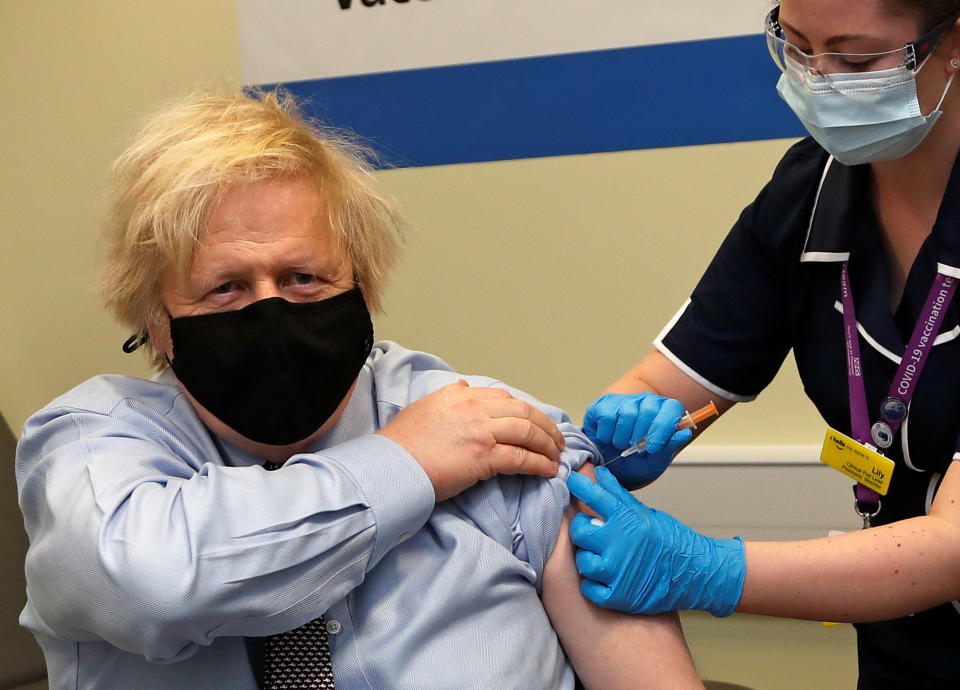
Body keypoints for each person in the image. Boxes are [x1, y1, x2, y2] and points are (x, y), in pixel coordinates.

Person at [14, 87, 703, 689]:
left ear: (364, 287)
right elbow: (152, 585)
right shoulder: (91, 444)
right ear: (157, 324)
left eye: (303, 278)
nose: (271, 310)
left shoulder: (487, 424)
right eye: (226, 288)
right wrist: (404, 464)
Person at [568, 0, 960, 688]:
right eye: (798, 46)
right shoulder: (809, 196)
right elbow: (666, 382)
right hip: (907, 647)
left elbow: (952, 547)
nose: (817, 81)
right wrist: (623, 425)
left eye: (857, 59)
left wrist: (706, 569)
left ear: (953, 41)